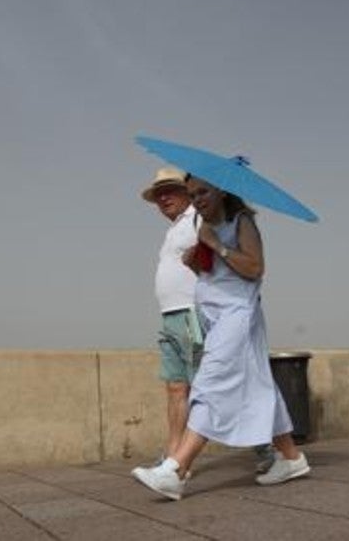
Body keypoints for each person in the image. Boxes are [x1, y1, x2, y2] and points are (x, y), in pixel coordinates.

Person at [132, 175, 309, 500]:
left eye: (203, 192)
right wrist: (195, 263)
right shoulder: (205, 226)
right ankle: (292, 458)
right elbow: (219, 276)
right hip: (215, 316)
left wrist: (216, 245)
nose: (197, 199)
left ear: (222, 191)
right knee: (259, 388)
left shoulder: (242, 222)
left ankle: (176, 470)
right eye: (193, 194)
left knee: (209, 383)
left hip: (237, 316)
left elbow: (254, 268)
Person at [135, 167, 202, 471]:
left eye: (170, 191)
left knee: (208, 388)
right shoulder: (174, 229)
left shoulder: (199, 219)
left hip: (192, 314)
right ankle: (173, 456)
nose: (163, 198)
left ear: (187, 192)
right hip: (170, 317)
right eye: (159, 194)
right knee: (176, 387)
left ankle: (268, 448)